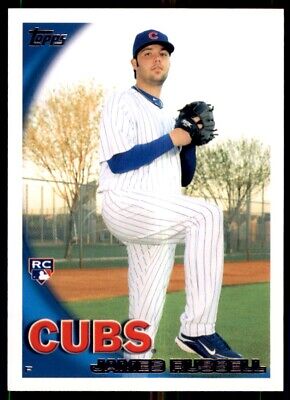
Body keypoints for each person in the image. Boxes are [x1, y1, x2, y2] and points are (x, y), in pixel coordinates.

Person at [99, 29, 241, 360]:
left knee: (142, 325)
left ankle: (132, 367)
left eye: (163, 53)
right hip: (125, 202)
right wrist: (172, 139)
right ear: (134, 63)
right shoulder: (122, 100)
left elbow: (186, 178)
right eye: (148, 53)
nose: (157, 58)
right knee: (206, 216)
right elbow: (119, 162)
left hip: (158, 216)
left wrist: (189, 142)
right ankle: (197, 330)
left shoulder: (170, 116)